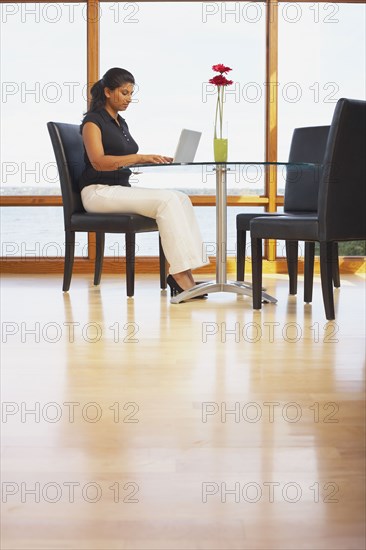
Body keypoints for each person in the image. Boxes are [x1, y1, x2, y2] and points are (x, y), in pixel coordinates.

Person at [79, 67, 209, 298]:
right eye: (123, 93)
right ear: (108, 92)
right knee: (167, 200)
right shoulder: (92, 122)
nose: (129, 99)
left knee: (180, 197)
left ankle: (186, 272)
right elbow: (98, 162)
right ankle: (179, 276)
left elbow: (122, 159)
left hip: (118, 190)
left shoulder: (121, 122)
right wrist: (139, 157)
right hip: (97, 193)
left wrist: (154, 160)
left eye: (131, 93)